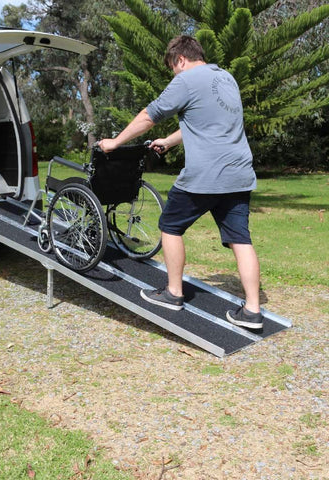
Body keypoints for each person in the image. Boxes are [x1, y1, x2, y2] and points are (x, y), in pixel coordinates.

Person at [98, 35, 263, 330]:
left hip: (205, 176)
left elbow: (149, 116)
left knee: (170, 226)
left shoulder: (186, 80)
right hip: (238, 174)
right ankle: (252, 310)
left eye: (173, 67)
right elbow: (205, 123)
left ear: (180, 59)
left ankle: (173, 293)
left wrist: (114, 142)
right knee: (241, 239)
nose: (174, 73)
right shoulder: (226, 78)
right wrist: (171, 142)